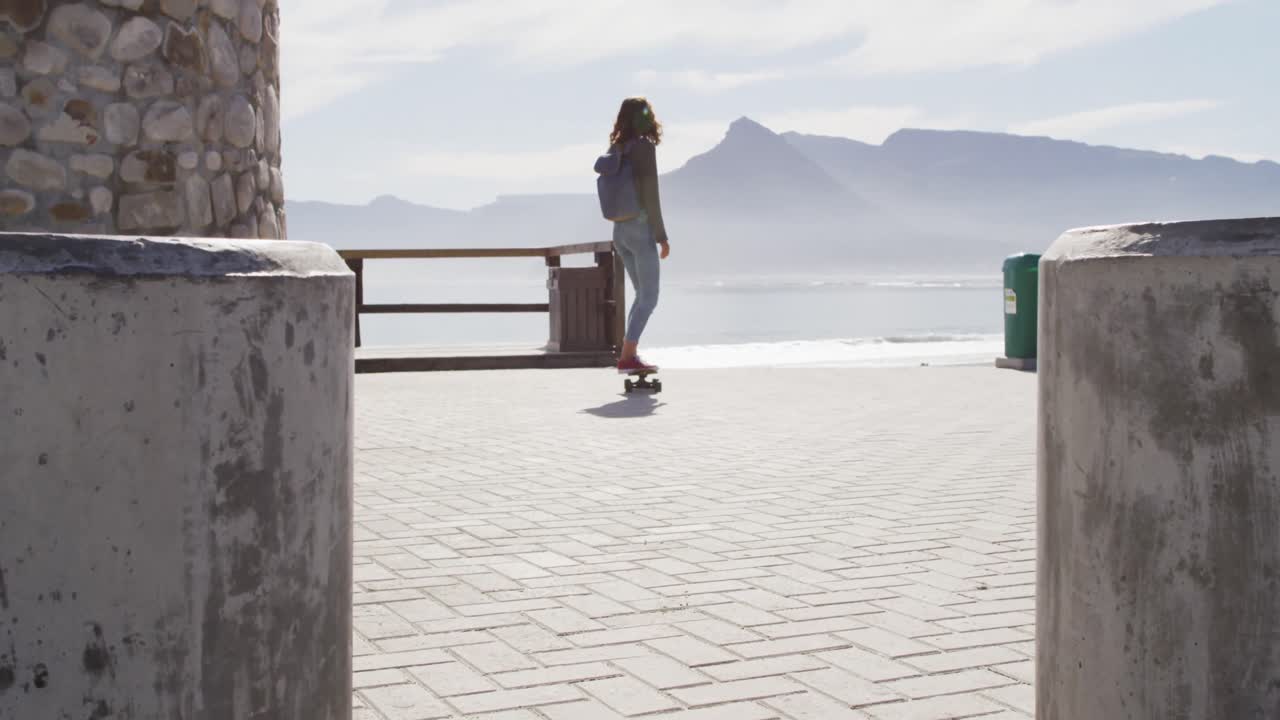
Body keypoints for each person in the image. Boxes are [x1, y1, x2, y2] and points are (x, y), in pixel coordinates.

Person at [608, 97, 671, 373]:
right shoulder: (644, 148)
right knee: (650, 297)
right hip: (639, 230)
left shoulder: (616, 148)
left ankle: (628, 353)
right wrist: (661, 236)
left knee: (640, 294)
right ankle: (627, 356)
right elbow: (650, 194)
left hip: (619, 230)